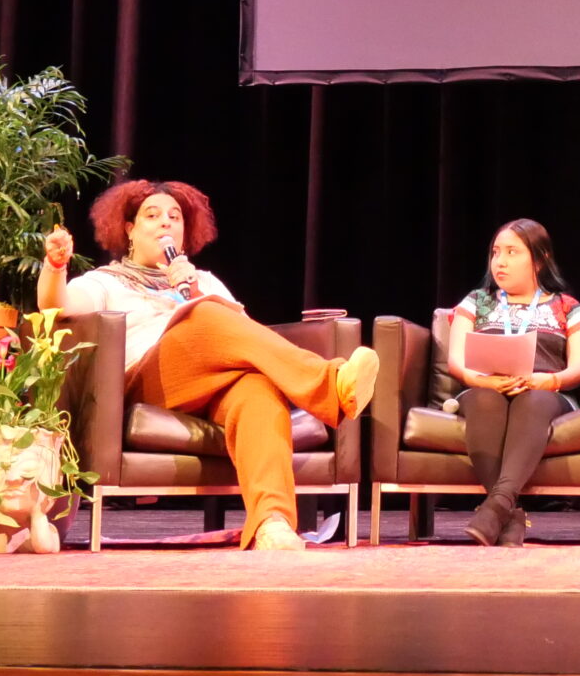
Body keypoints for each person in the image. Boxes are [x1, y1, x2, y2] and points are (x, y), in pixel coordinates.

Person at [39, 177, 379, 552]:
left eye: (175, 217)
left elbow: (246, 340)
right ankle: (330, 386)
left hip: (211, 387)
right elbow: (56, 306)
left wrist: (196, 292)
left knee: (258, 391)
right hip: (149, 382)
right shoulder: (107, 282)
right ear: (130, 230)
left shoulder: (203, 282)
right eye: (152, 216)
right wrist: (55, 267)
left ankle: (273, 523)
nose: (166, 222)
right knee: (203, 315)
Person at [443, 218, 580, 546]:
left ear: (539, 260)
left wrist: (549, 380)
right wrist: (478, 380)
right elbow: (455, 361)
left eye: (512, 252)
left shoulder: (566, 306)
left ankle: (496, 505)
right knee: (486, 400)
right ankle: (507, 513)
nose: (500, 261)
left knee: (532, 400)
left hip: (543, 393)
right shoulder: (476, 301)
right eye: (496, 252)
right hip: (484, 388)